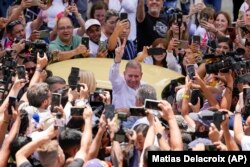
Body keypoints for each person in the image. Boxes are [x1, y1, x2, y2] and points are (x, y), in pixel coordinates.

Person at [109, 39, 143, 109]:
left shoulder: (145, 88)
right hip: (119, 119)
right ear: (124, 74)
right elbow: (113, 76)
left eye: (136, 76)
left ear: (141, 75)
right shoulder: (119, 84)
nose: (133, 79)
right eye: (130, 76)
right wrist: (117, 58)